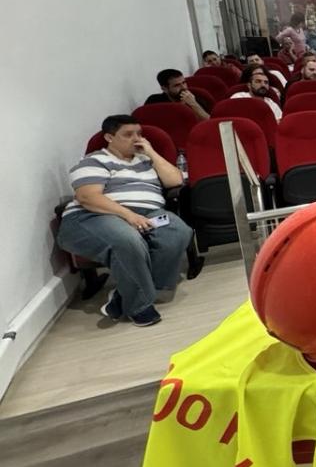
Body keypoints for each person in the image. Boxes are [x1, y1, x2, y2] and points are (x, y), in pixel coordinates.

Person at [56, 115, 192, 327]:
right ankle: (139, 306)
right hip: (95, 215)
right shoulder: (94, 160)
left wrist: (151, 152)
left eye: (139, 133)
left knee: (177, 231)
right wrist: (129, 216)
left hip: (148, 214)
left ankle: (122, 296)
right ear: (109, 137)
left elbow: (175, 180)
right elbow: (88, 197)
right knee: (127, 239)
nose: (136, 139)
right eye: (128, 135)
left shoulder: (147, 161)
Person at [145, 69, 209, 120]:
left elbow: (209, 122)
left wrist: (194, 104)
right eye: (177, 85)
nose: (183, 87)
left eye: (184, 83)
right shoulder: (154, 101)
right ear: (164, 89)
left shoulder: (196, 98)